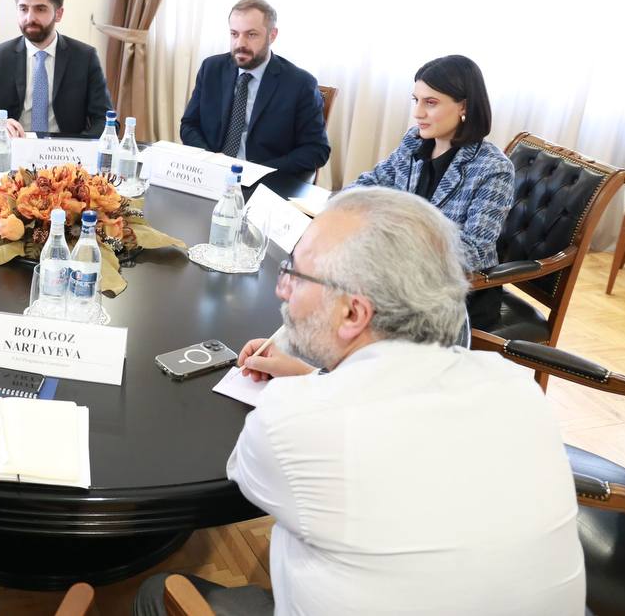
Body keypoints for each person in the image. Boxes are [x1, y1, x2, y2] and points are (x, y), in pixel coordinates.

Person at [134, 188, 585, 615]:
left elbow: (249, 477)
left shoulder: (293, 422)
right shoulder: (516, 386)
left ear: (353, 313)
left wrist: (309, 387)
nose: (281, 289)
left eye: (295, 274)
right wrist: (315, 375)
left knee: (158, 592)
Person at [352, 54, 514, 329]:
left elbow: (472, 251)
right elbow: (372, 182)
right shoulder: (415, 141)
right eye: (416, 100)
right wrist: (344, 208)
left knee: (352, 311)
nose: (417, 113)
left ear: (464, 106)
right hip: (401, 274)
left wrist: (397, 238)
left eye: (430, 102)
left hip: (457, 294)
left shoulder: (493, 168)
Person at [179, 0, 330, 178]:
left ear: (272, 35)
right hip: (211, 173)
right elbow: (189, 125)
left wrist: (257, 171)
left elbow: (316, 149)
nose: (240, 44)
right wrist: (210, 160)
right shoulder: (211, 68)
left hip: (266, 181)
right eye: (234, 34)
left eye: (251, 35)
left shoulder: (300, 84)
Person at [0, 0, 113, 138]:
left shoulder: (85, 57)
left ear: (58, 14)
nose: (30, 18)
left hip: (65, 150)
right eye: (23, 9)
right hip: (13, 147)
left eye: (40, 9)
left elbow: (105, 120)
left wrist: (78, 146)